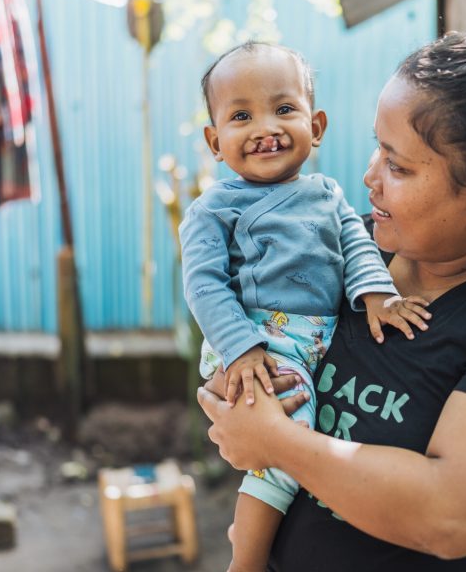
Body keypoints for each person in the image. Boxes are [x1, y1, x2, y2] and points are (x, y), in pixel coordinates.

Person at [197, 31, 466, 572]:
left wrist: (276, 444)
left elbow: (448, 515)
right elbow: (248, 339)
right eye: (378, 146)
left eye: (398, 167)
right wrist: (233, 393)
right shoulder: (345, 247)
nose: (369, 176)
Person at [179, 42, 431, 572]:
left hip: (314, 341)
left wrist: (377, 295)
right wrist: (242, 350)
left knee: (288, 455)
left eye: (284, 109)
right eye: (241, 115)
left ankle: (253, 529)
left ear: (315, 127)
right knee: (289, 454)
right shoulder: (214, 209)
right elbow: (203, 286)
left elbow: (357, 246)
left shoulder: (328, 194)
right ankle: (245, 560)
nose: (264, 126)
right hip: (258, 344)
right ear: (214, 141)